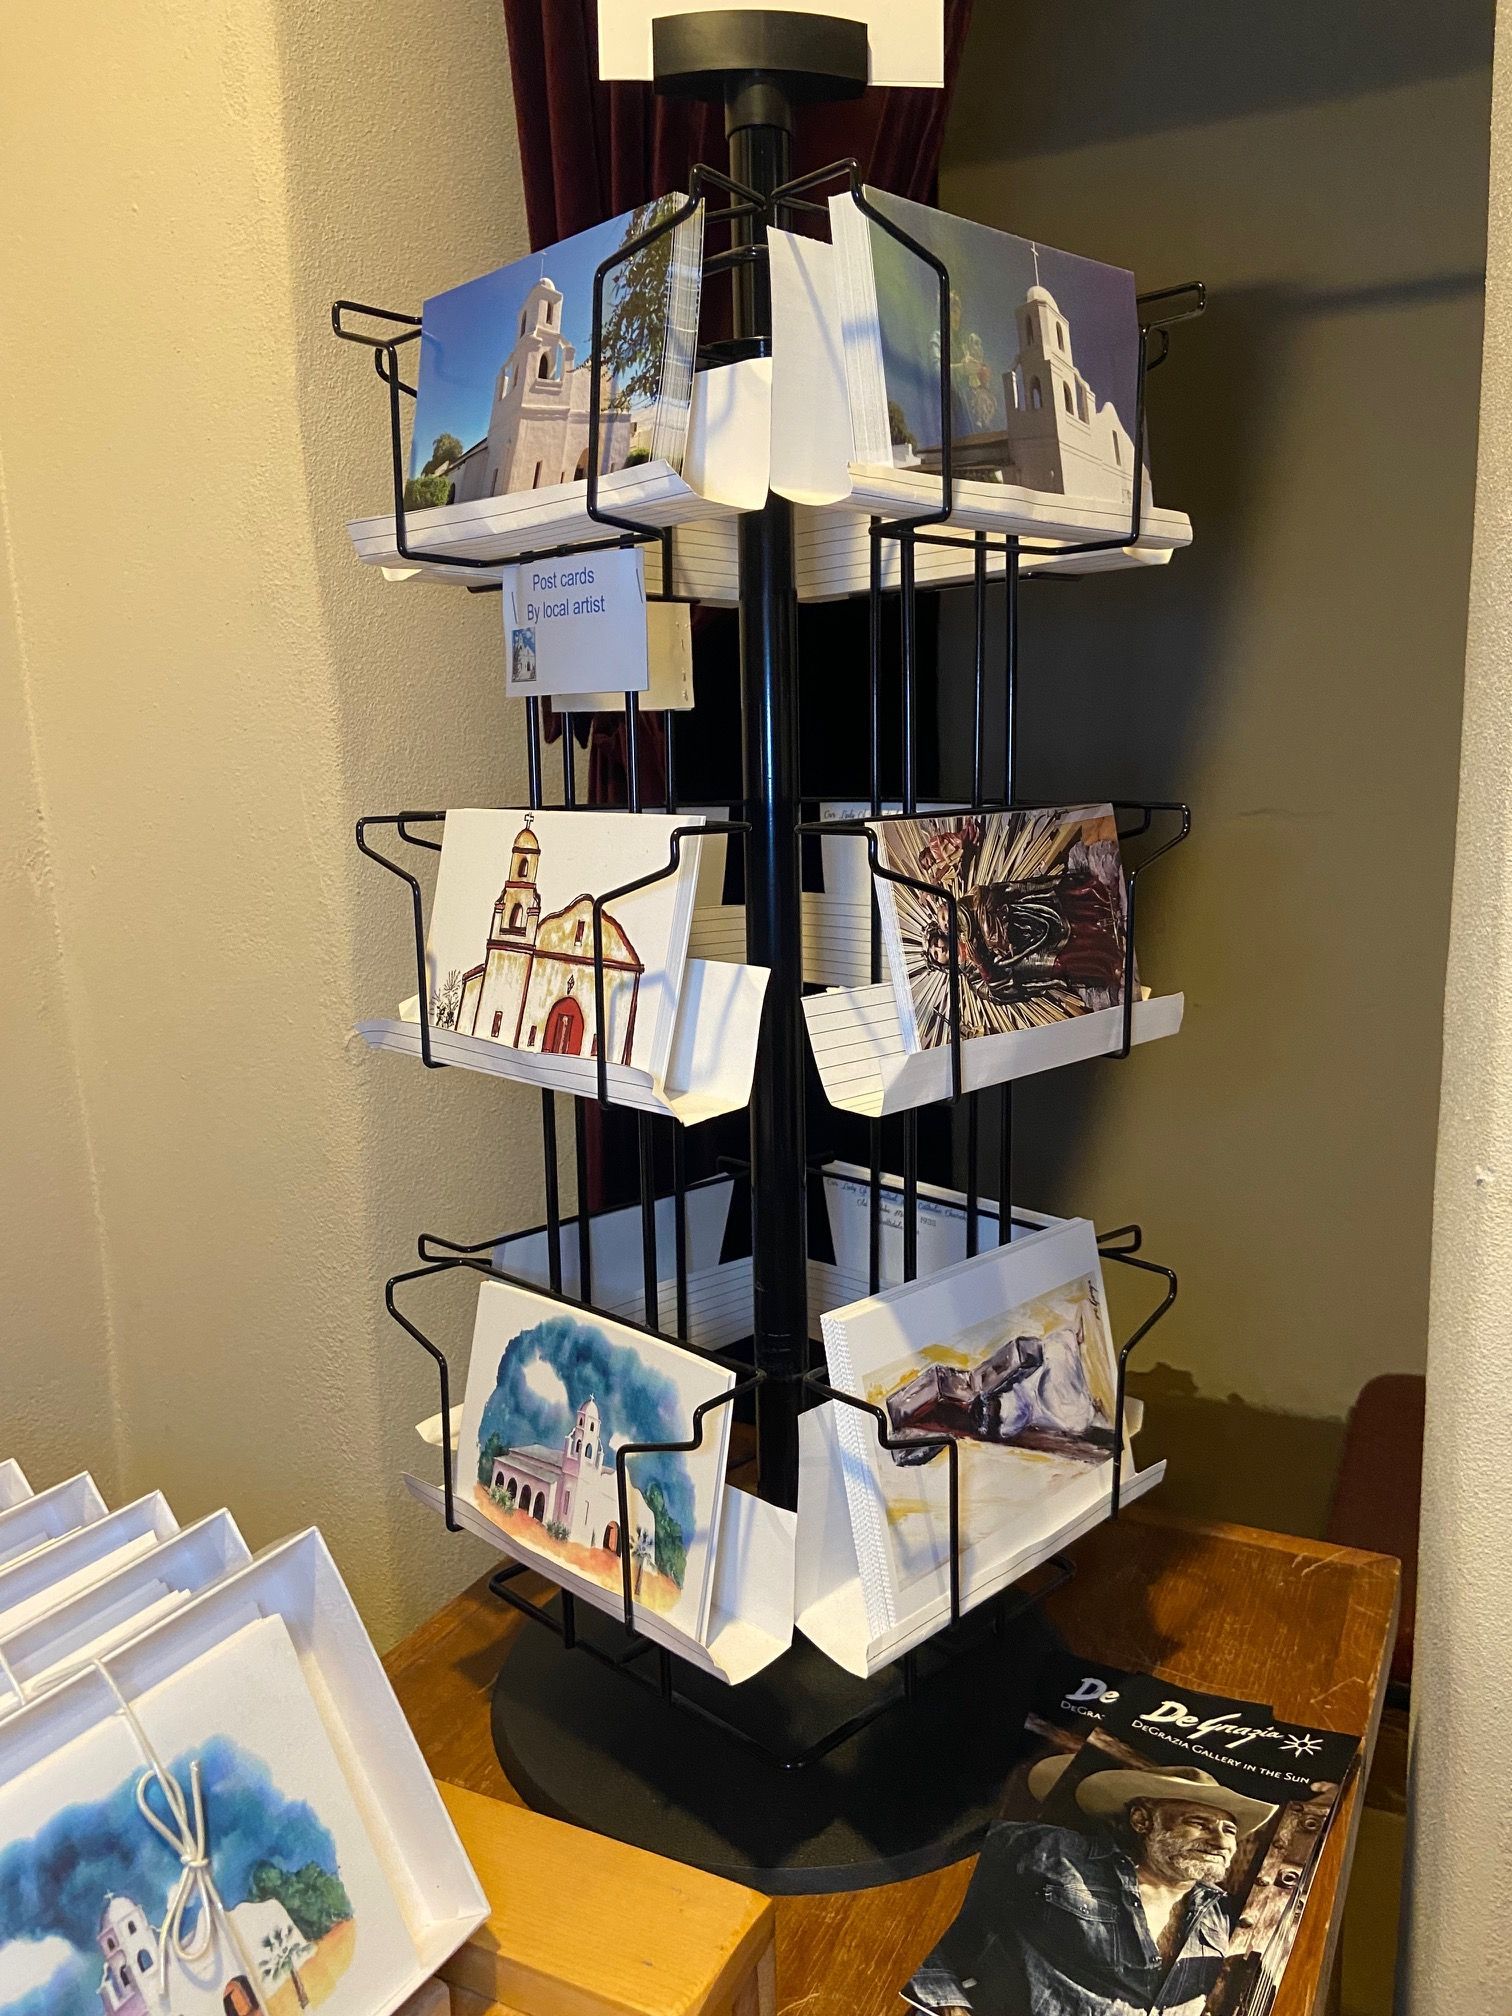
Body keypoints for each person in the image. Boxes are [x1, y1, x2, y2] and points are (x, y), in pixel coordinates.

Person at [906, 1761, 1276, 2015]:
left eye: (1230, 1830)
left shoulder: (1220, 1917)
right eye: (1200, 1823)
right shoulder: (1052, 1852)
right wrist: (946, 2000)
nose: (1221, 1842)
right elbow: (921, 1879)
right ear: (1142, 1820)